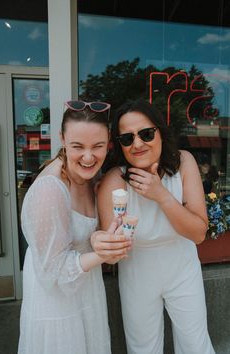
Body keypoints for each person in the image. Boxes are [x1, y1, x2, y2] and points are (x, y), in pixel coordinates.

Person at [91, 99, 215, 354]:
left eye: (146, 134)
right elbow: (110, 256)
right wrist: (106, 244)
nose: (137, 144)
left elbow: (198, 233)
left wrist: (161, 195)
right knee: (143, 348)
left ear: (160, 131)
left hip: (182, 267)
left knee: (195, 344)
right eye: (127, 138)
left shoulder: (184, 162)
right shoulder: (116, 180)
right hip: (137, 273)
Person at [18, 100, 131, 354]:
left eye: (98, 146)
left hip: (87, 291)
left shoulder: (94, 179)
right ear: (62, 139)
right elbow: (53, 273)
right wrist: (102, 254)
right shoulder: (50, 189)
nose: (89, 157)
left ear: (108, 144)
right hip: (57, 304)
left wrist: (107, 239)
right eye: (78, 146)